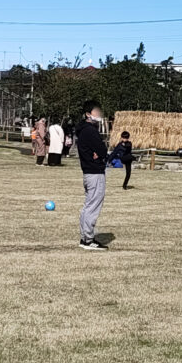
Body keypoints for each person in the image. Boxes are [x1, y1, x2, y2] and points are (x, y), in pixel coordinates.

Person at [76, 100, 109, 251]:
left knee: (88, 205)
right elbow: (102, 150)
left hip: (89, 172)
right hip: (94, 172)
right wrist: (99, 154)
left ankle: (85, 237)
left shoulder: (83, 130)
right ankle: (88, 239)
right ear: (88, 114)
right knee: (93, 205)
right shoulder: (90, 131)